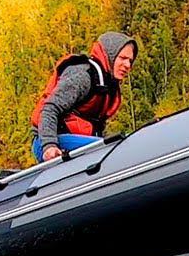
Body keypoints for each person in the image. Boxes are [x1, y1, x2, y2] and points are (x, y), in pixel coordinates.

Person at [30, 31, 138, 163]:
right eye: (122, 58)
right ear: (110, 56)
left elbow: (98, 127)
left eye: (130, 61)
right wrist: (49, 146)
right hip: (49, 140)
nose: (127, 65)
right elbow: (49, 108)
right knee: (114, 149)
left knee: (119, 143)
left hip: (71, 139)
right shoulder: (83, 76)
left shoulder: (107, 87)